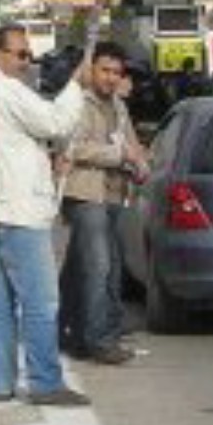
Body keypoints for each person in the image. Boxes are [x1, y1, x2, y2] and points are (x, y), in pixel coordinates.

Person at [0, 24, 89, 407]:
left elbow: (16, 141)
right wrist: (76, 85)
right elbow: (55, 122)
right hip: (16, 210)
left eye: (28, 54)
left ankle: (0, 382)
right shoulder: (6, 89)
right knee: (40, 301)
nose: (26, 61)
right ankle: (45, 381)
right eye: (20, 54)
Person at [59, 44, 148, 366]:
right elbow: (73, 147)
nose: (111, 78)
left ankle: (71, 330)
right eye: (104, 71)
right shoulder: (78, 104)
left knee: (81, 268)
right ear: (90, 70)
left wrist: (139, 163)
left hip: (113, 193)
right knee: (100, 266)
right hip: (85, 194)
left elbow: (131, 144)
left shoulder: (118, 106)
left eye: (116, 72)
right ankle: (100, 338)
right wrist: (118, 155)